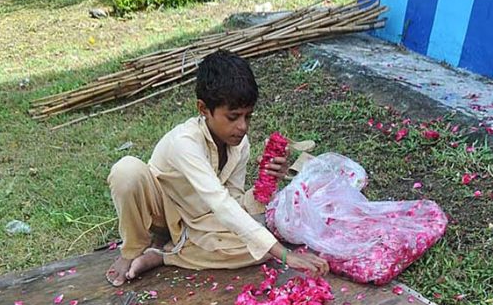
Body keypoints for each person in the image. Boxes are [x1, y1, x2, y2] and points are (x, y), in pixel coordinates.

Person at [105, 50, 329, 286]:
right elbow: (220, 203)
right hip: (162, 210)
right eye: (233, 117)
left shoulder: (239, 144)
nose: (242, 127)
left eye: (247, 116)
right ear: (203, 109)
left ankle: (163, 255)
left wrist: (267, 182)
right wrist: (286, 255)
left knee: (258, 250)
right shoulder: (185, 141)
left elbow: (232, 199)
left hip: (199, 218)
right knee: (126, 171)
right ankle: (132, 251)